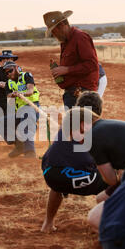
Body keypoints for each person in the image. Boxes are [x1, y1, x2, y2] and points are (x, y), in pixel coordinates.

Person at [41, 92, 110, 233]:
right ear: (98, 112)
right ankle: (103, 227)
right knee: (115, 183)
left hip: (51, 175)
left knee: (58, 181)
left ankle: (48, 223)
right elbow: (89, 162)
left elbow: (50, 156)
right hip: (76, 177)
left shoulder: (68, 123)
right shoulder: (94, 128)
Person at [43, 10, 99, 109]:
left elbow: (92, 64)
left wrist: (66, 70)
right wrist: (60, 70)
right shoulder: (65, 41)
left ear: (62, 25)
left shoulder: (80, 37)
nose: (54, 35)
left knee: (80, 124)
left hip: (82, 94)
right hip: (72, 93)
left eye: (54, 31)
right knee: (74, 124)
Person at [3, 61, 40, 158]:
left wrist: (20, 93)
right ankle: (19, 147)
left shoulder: (26, 75)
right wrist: (13, 94)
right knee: (1, 122)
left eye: (10, 71)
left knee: (26, 124)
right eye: (6, 73)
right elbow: (8, 96)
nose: (9, 74)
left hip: (31, 107)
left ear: (16, 68)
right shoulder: (8, 83)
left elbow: (30, 91)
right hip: (19, 111)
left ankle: (30, 152)